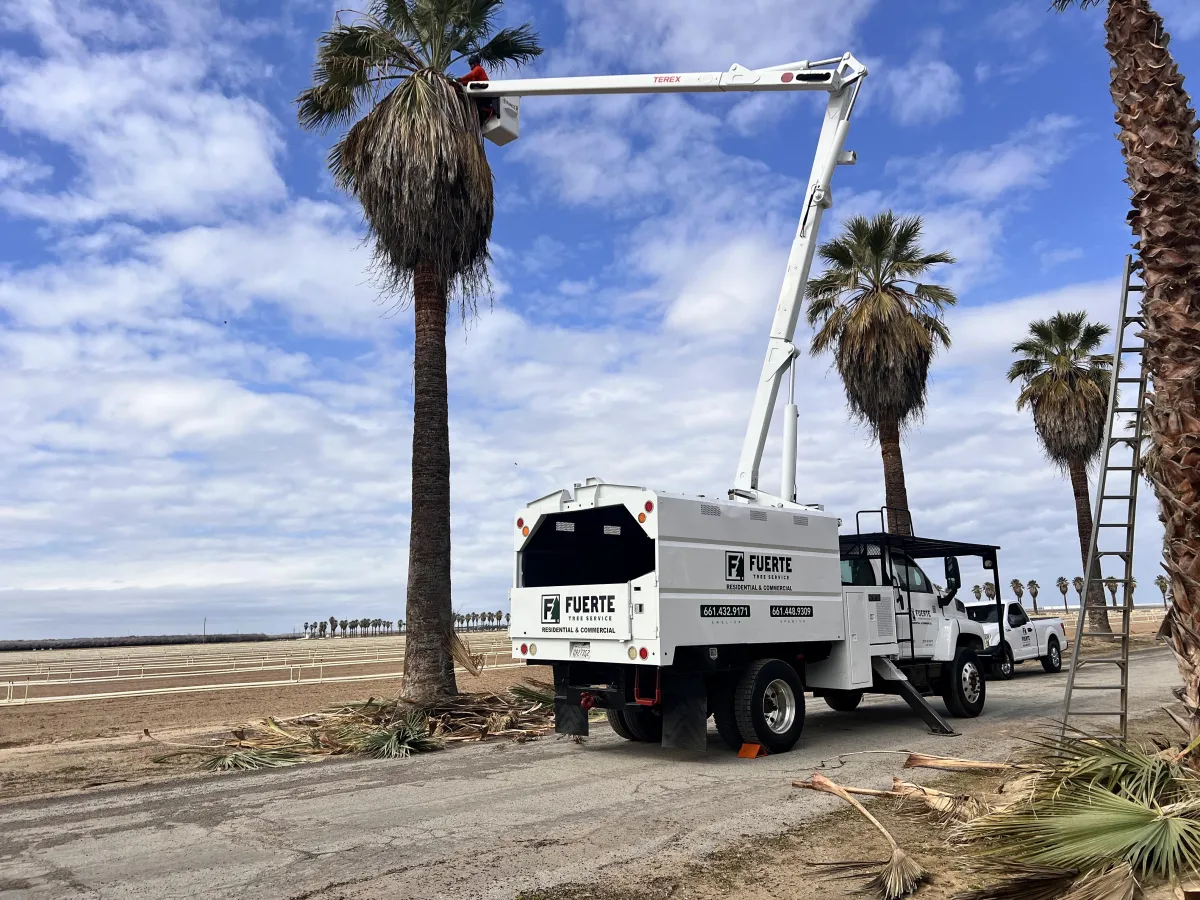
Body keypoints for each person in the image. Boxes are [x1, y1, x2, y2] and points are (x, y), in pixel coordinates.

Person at [458, 54, 496, 127]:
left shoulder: (478, 69)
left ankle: (482, 116)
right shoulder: (476, 73)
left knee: (479, 107)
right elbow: (469, 82)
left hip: (484, 92)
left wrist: (460, 79)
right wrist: (460, 83)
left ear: (475, 63)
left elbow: (471, 75)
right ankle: (480, 120)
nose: (470, 67)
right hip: (480, 93)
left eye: (471, 64)